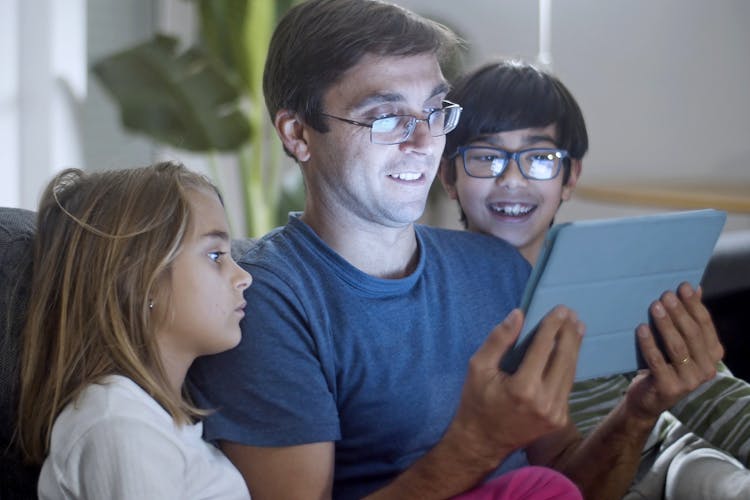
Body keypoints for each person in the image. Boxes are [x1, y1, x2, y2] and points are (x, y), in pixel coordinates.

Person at [188, 1, 723, 499]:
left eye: (435, 110)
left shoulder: (494, 269)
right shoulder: (260, 298)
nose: (424, 143)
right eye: (386, 116)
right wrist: (477, 444)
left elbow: (566, 479)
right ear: (298, 133)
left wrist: (638, 412)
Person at [438, 58, 750, 499]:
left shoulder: (611, 277)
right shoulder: (433, 296)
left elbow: (716, 398)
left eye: (540, 158)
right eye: (487, 158)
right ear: (448, 175)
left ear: (571, 178)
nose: (512, 179)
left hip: (678, 461)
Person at [16, 163, 253, 499]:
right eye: (215, 255)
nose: (244, 277)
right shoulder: (119, 424)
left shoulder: (148, 420)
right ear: (141, 281)